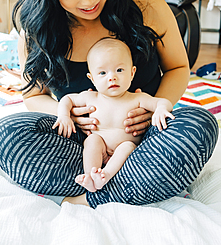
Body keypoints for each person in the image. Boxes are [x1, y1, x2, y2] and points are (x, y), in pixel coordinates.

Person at [0, 0, 218, 209]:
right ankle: (128, 181)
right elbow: (33, 96)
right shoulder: (38, 31)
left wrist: (155, 110)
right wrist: (70, 116)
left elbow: (178, 68)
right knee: (5, 134)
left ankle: (92, 196)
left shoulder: (146, 7)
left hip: (146, 139)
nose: (89, 0)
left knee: (200, 124)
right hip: (80, 144)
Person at [53, 37, 175, 192]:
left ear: (132, 73)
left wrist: (160, 110)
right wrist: (63, 115)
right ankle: (90, 175)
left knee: (127, 146)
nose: (112, 77)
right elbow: (67, 99)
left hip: (126, 155)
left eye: (119, 70)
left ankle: (105, 175)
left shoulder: (137, 98)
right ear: (92, 79)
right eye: (102, 73)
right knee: (92, 141)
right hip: (101, 148)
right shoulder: (91, 97)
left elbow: (163, 102)